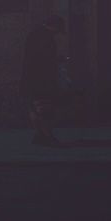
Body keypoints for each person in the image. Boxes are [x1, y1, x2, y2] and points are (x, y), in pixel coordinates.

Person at [22, 15, 66, 147]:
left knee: (35, 108)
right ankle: (47, 136)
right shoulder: (46, 38)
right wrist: (58, 60)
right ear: (54, 26)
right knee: (45, 109)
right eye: (58, 29)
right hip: (42, 80)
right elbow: (45, 61)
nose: (58, 33)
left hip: (30, 79)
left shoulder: (33, 35)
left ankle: (40, 135)